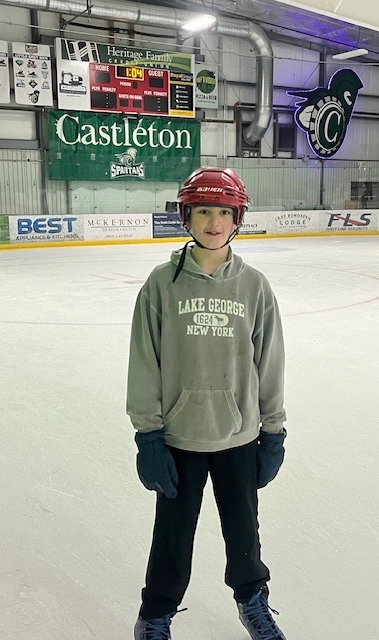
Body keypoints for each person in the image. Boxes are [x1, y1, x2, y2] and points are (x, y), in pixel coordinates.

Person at [127, 167, 287, 640]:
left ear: (237, 218)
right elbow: (144, 361)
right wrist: (148, 434)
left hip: (239, 434)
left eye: (223, 211)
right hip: (179, 436)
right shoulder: (161, 284)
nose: (213, 221)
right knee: (172, 535)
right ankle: (155, 614)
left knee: (243, 530)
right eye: (202, 211)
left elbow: (270, 362)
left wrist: (274, 431)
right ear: (187, 216)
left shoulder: (254, 286)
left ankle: (253, 602)